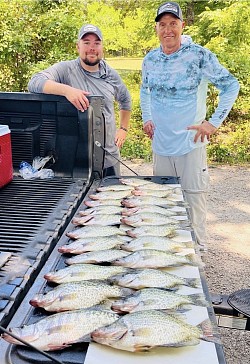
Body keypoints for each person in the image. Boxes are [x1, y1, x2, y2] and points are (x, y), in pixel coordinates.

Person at [140, 2, 240, 249]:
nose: (168, 30)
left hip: (190, 144)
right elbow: (144, 90)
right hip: (161, 145)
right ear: (157, 28)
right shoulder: (150, 58)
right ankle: (169, 253)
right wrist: (147, 117)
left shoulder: (199, 55)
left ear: (182, 25)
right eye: (162, 25)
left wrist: (214, 122)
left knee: (193, 202)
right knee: (164, 203)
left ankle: (196, 257)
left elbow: (231, 85)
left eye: (173, 23)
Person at [28, 24, 131, 177]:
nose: (92, 47)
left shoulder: (111, 74)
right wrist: (67, 90)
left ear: (102, 47)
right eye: (87, 42)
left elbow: (125, 100)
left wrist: (123, 129)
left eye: (97, 43)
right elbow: (34, 82)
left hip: (109, 160)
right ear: (78, 46)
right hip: (76, 162)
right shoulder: (66, 70)